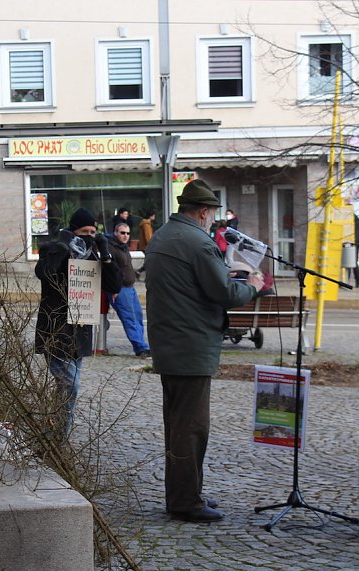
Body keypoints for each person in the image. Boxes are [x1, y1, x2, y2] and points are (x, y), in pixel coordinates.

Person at [145, 179, 264, 523]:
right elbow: (224, 293)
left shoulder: (165, 235)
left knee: (178, 424)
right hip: (190, 346)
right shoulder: (198, 242)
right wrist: (252, 285)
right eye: (212, 214)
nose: (213, 220)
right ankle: (186, 501)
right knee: (191, 428)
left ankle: (185, 491)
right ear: (202, 212)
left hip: (171, 343)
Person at [35, 207, 121, 437]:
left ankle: (53, 432)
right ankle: (59, 438)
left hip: (80, 331)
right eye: (84, 231)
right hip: (56, 329)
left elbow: (114, 285)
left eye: (93, 231)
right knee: (69, 386)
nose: (89, 235)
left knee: (66, 388)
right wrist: (63, 247)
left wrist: (105, 252)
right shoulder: (52, 249)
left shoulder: (93, 254)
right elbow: (45, 272)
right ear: (73, 231)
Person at [107, 222, 151, 357]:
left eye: (127, 233)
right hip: (119, 289)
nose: (125, 236)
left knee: (137, 317)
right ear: (115, 233)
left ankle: (142, 345)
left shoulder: (123, 247)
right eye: (122, 233)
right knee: (129, 318)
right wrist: (114, 289)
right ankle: (140, 347)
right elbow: (109, 270)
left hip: (130, 288)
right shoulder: (110, 247)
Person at [136, 210, 155, 279]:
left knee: (149, 261)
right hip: (146, 246)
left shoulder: (146, 224)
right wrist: (151, 244)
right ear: (151, 216)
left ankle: (139, 272)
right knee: (150, 261)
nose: (154, 217)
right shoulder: (146, 225)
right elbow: (148, 236)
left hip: (144, 246)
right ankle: (146, 276)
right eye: (153, 215)